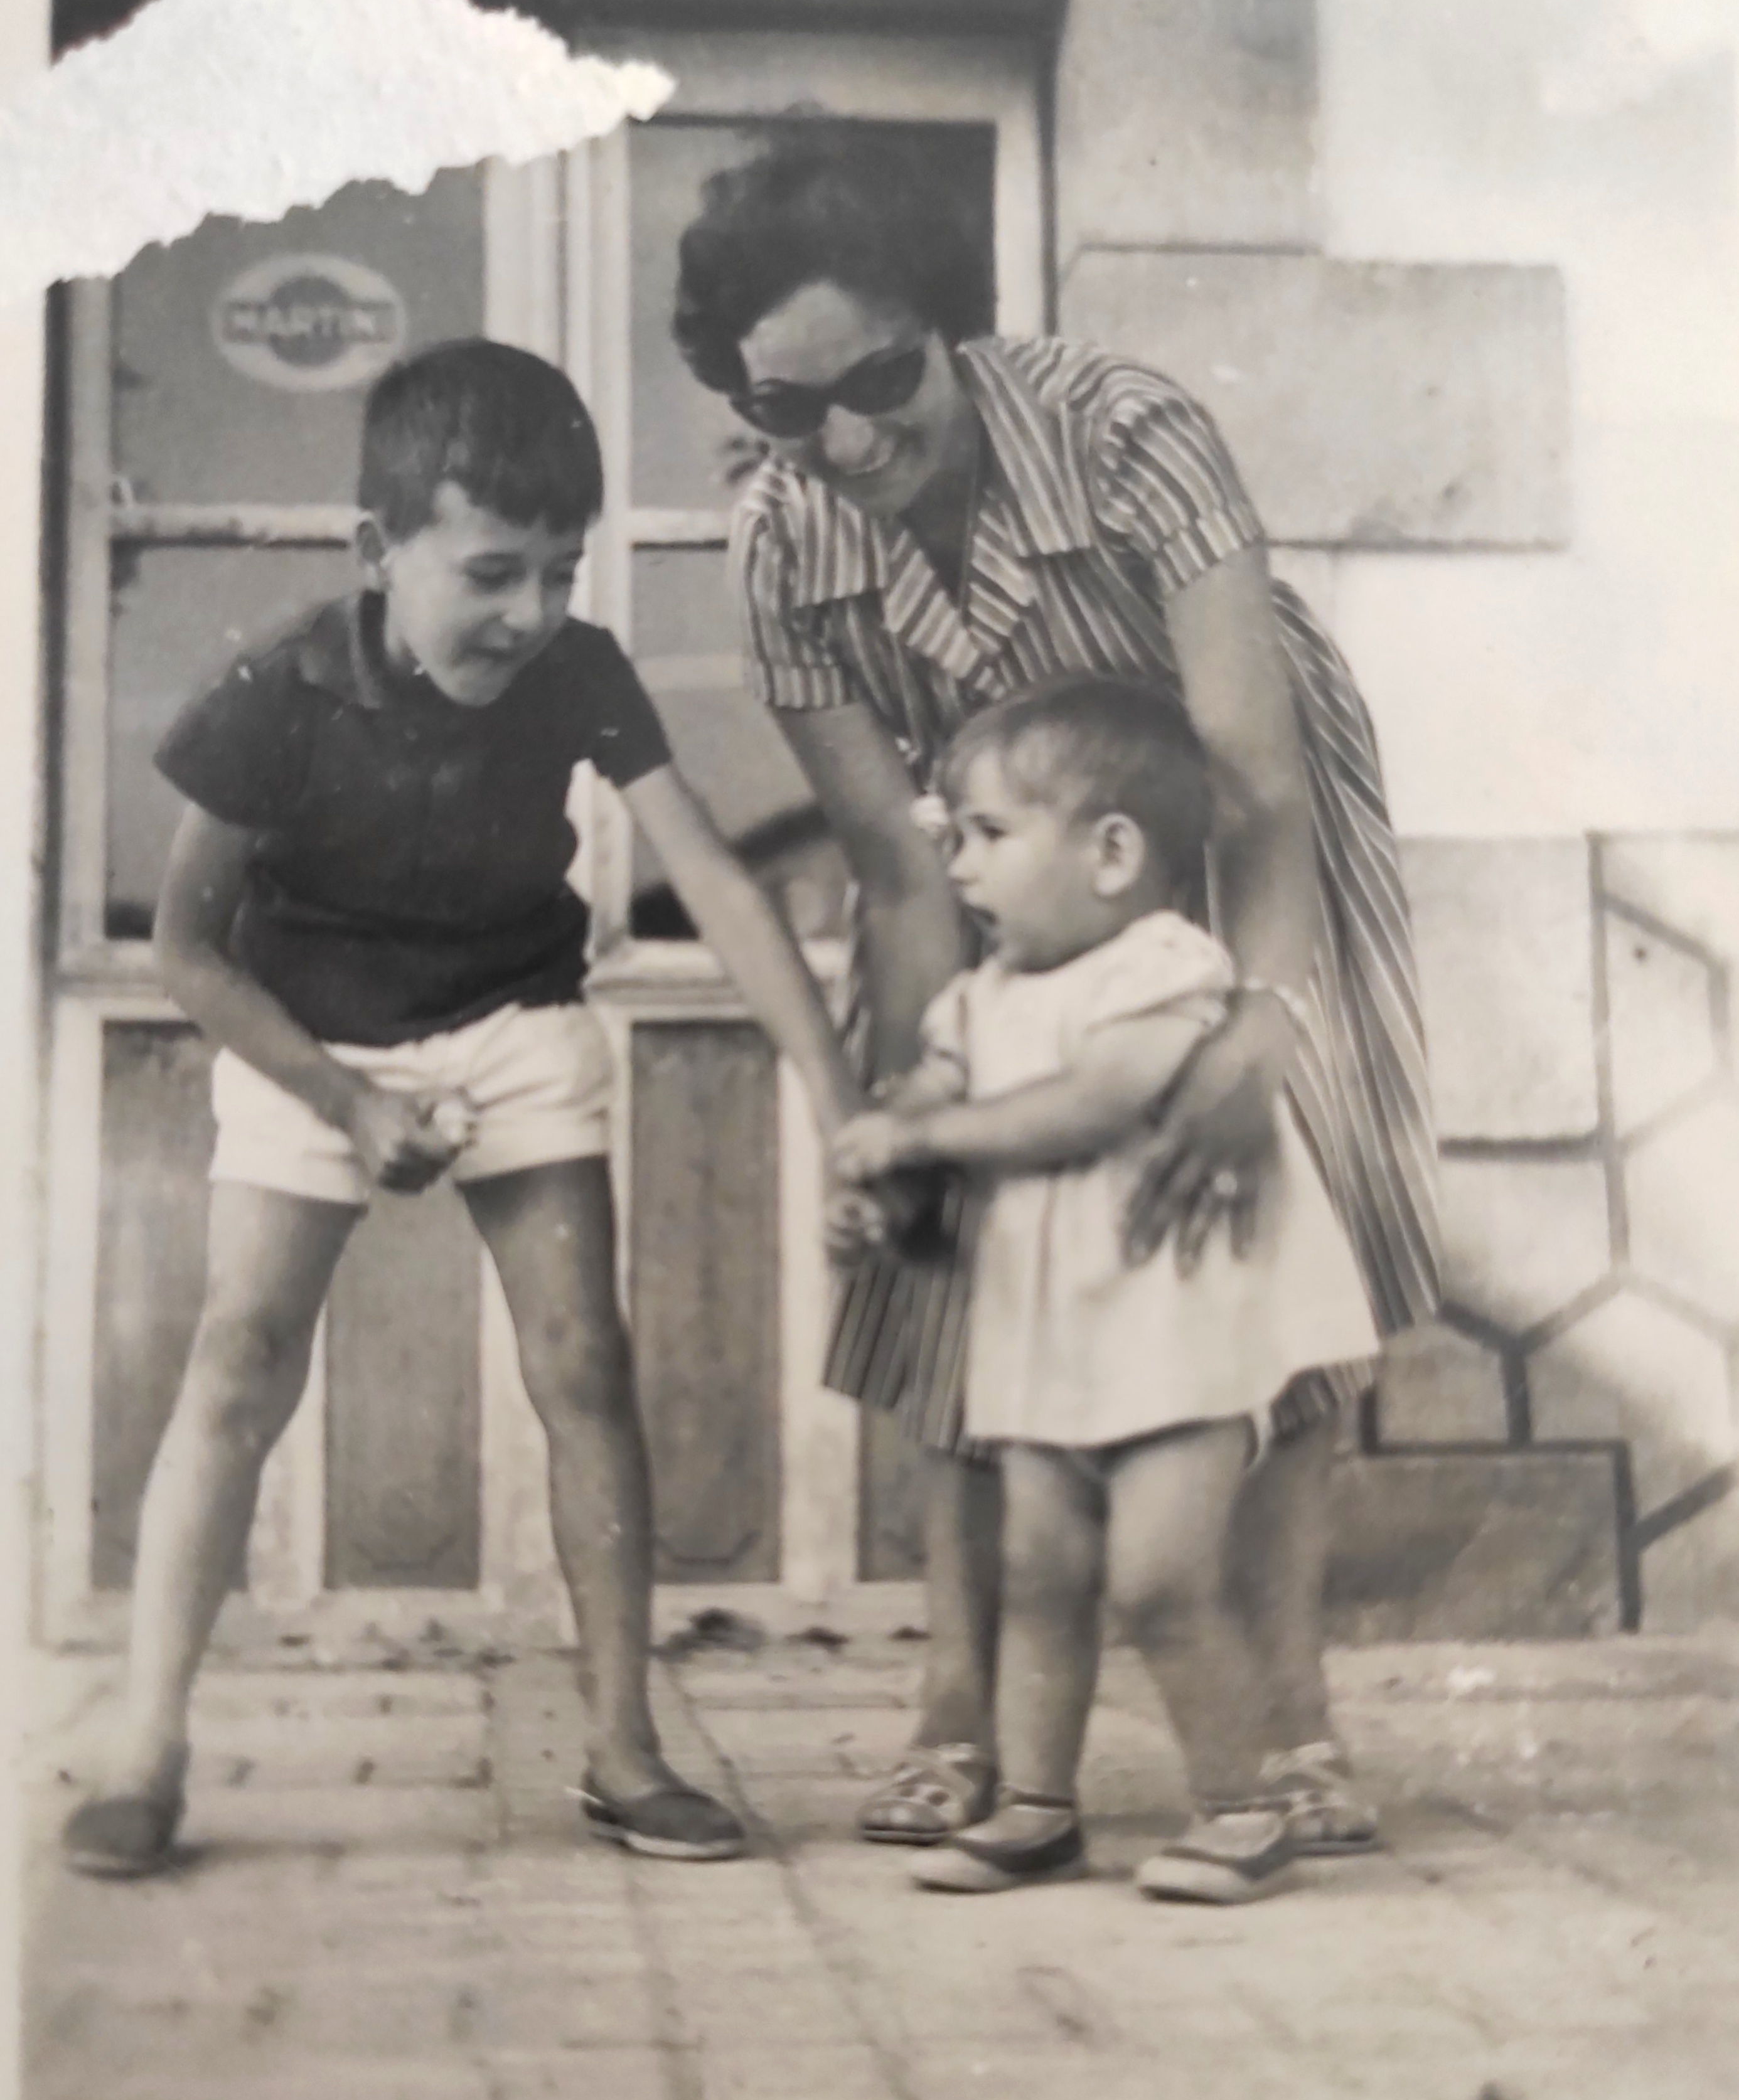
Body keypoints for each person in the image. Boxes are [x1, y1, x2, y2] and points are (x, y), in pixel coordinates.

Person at [673, 127, 1440, 1852]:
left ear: (948, 322)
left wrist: (1256, 1032)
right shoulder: (780, 542)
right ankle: (960, 1715)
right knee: (958, 1261)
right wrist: (926, 1121)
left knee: (1257, 1224)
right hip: (990, 864)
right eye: (789, 408)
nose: (847, 443)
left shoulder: (1127, 430)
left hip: (1237, 829)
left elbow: (1252, 783)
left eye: (881, 380)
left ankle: (1291, 1728)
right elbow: (896, 871)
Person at [62, 339, 859, 1878]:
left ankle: (624, 1750)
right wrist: (344, 1102)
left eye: (563, 572)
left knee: (586, 1364)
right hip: (304, 1036)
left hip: (512, 1022)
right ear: (380, 551)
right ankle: (143, 1747)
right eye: (493, 573)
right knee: (238, 1358)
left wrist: (835, 1096)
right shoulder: (276, 689)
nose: (532, 613)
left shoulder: (580, 671)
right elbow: (185, 954)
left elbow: (706, 871)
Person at [830, 679, 1379, 1900]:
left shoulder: (1164, 966)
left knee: (1163, 1582)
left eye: (989, 834)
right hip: (1041, 1341)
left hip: (1169, 1347)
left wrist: (925, 1137)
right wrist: (882, 1172)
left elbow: (1097, 1103)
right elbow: (931, 1097)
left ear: (1114, 854)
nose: (960, 866)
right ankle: (1039, 1805)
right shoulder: (980, 998)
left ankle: (1240, 1808)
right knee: (1040, 1577)